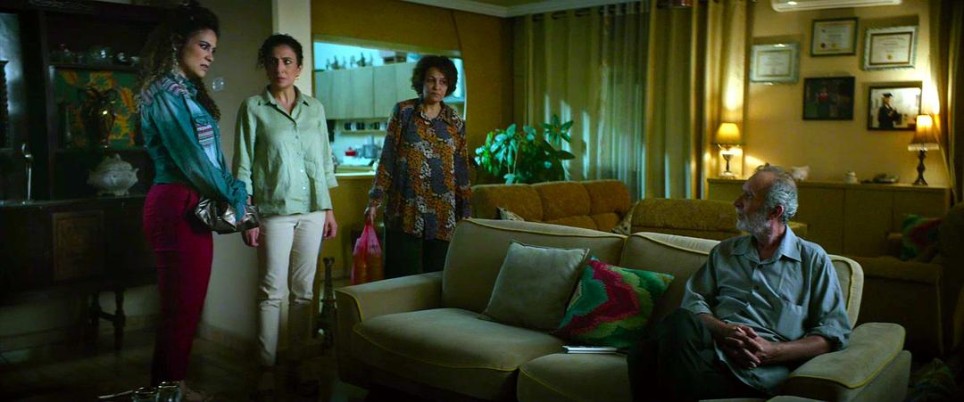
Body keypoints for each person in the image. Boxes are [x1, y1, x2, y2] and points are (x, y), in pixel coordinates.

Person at [626, 165, 852, 401]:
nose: (736, 203)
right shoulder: (725, 252)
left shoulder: (812, 260)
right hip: (710, 354)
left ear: (775, 211)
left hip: (755, 372)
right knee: (673, 325)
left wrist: (773, 351)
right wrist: (723, 331)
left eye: (748, 196)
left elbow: (832, 334)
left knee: (647, 356)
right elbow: (694, 302)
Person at [137, 1, 248, 399]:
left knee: (187, 306)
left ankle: (173, 386)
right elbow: (195, 161)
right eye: (203, 46)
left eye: (213, 49)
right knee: (180, 307)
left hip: (191, 204)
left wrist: (237, 195)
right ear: (176, 43)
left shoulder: (185, 92)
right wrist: (238, 198)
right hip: (175, 203)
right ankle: (168, 389)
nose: (210, 56)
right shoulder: (165, 94)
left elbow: (210, 159)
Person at [233, 33, 338, 393]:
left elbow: (323, 161)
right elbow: (243, 167)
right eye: (273, 61)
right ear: (265, 66)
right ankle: (266, 366)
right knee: (271, 291)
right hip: (273, 210)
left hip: (312, 210)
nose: (280, 68)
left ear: (299, 68)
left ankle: (298, 362)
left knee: (304, 291)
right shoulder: (253, 108)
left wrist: (328, 209)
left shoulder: (315, 109)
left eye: (287, 61)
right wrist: (247, 216)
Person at [365, 55, 472, 278]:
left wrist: (466, 211)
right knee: (401, 280)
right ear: (421, 81)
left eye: (443, 82)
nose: (436, 86)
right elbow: (387, 158)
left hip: (442, 215)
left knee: (436, 281)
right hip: (405, 211)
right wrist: (375, 201)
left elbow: (461, 168)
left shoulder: (455, 122)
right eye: (431, 80)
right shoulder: (403, 112)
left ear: (449, 86)